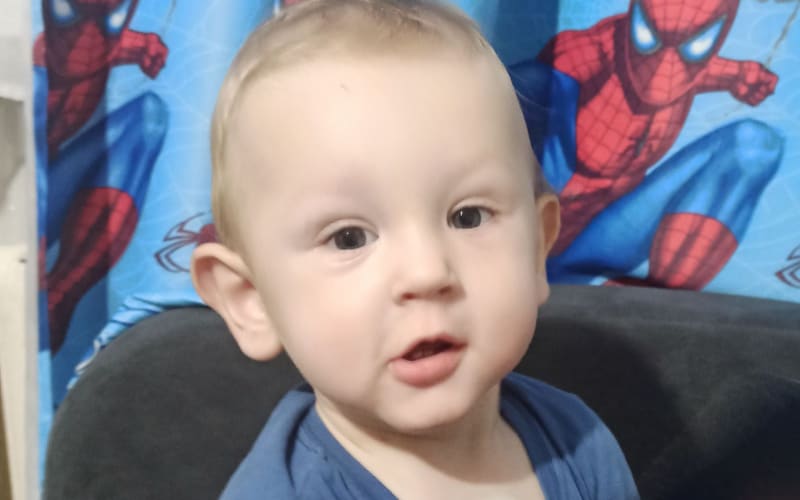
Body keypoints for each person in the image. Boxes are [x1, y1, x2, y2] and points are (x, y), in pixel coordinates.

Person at [190, 0, 639, 498]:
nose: (427, 272)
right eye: (349, 237)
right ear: (251, 299)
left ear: (537, 248)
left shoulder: (578, 441)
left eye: (468, 217)